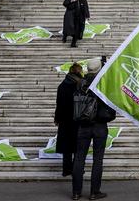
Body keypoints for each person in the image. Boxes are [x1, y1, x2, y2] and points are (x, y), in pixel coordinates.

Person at [72, 57, 116, 201]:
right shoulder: (103, 83)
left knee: (79, 158)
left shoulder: (80, 83)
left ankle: (76, 192)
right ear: (99, 69)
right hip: (99, 125)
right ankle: (94, 192)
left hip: (83, 125)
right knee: (98, 159)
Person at [54, 63, 83, 177]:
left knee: (66, 146)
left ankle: (66, 169)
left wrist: (57, 118)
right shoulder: (81, 84)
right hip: (78, 118)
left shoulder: (62, 85)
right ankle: (76, 168)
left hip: (65, 119)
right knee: (77, 145)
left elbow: (59, 104)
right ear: (79, 71)